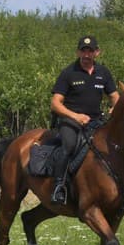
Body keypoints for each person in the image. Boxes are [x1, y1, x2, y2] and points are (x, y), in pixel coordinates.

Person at [49, 35, 119, 204]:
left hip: (96, 121)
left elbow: (115, 96)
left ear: (97, 53)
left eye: (90, 51)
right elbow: (55, 103)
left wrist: (115, 106)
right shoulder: (68, 73)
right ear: (78, 52)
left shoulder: (103, 73)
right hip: (71, 121)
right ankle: (59, 187)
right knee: (69, 146)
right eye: (83, 51)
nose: (86, 55)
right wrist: (75, 116)